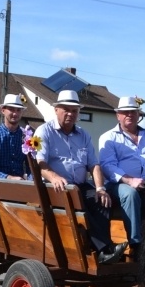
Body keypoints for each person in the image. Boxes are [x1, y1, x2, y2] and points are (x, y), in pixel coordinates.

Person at [34, 90, 127, 265]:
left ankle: (105, 251)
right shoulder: (44, 131)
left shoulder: (83, 134)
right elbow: (40, 163)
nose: (70, 114)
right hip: (54, 187)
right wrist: (54, 177)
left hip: (79, 185)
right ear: (56, 110)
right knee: (78, 200)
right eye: (66, 109)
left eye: (74, 110)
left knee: (102, 199)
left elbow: (94, 165)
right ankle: (103, 249)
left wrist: (100, 188)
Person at [99, 96, 145, 253]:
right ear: (118, 115)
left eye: (133, 112)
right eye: (125, 112)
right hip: (120, 185)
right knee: (130, 194)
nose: (129, 115)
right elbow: (108, 166)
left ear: (138, 115)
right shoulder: (108, 137)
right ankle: (136, 243)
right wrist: (130, 181)